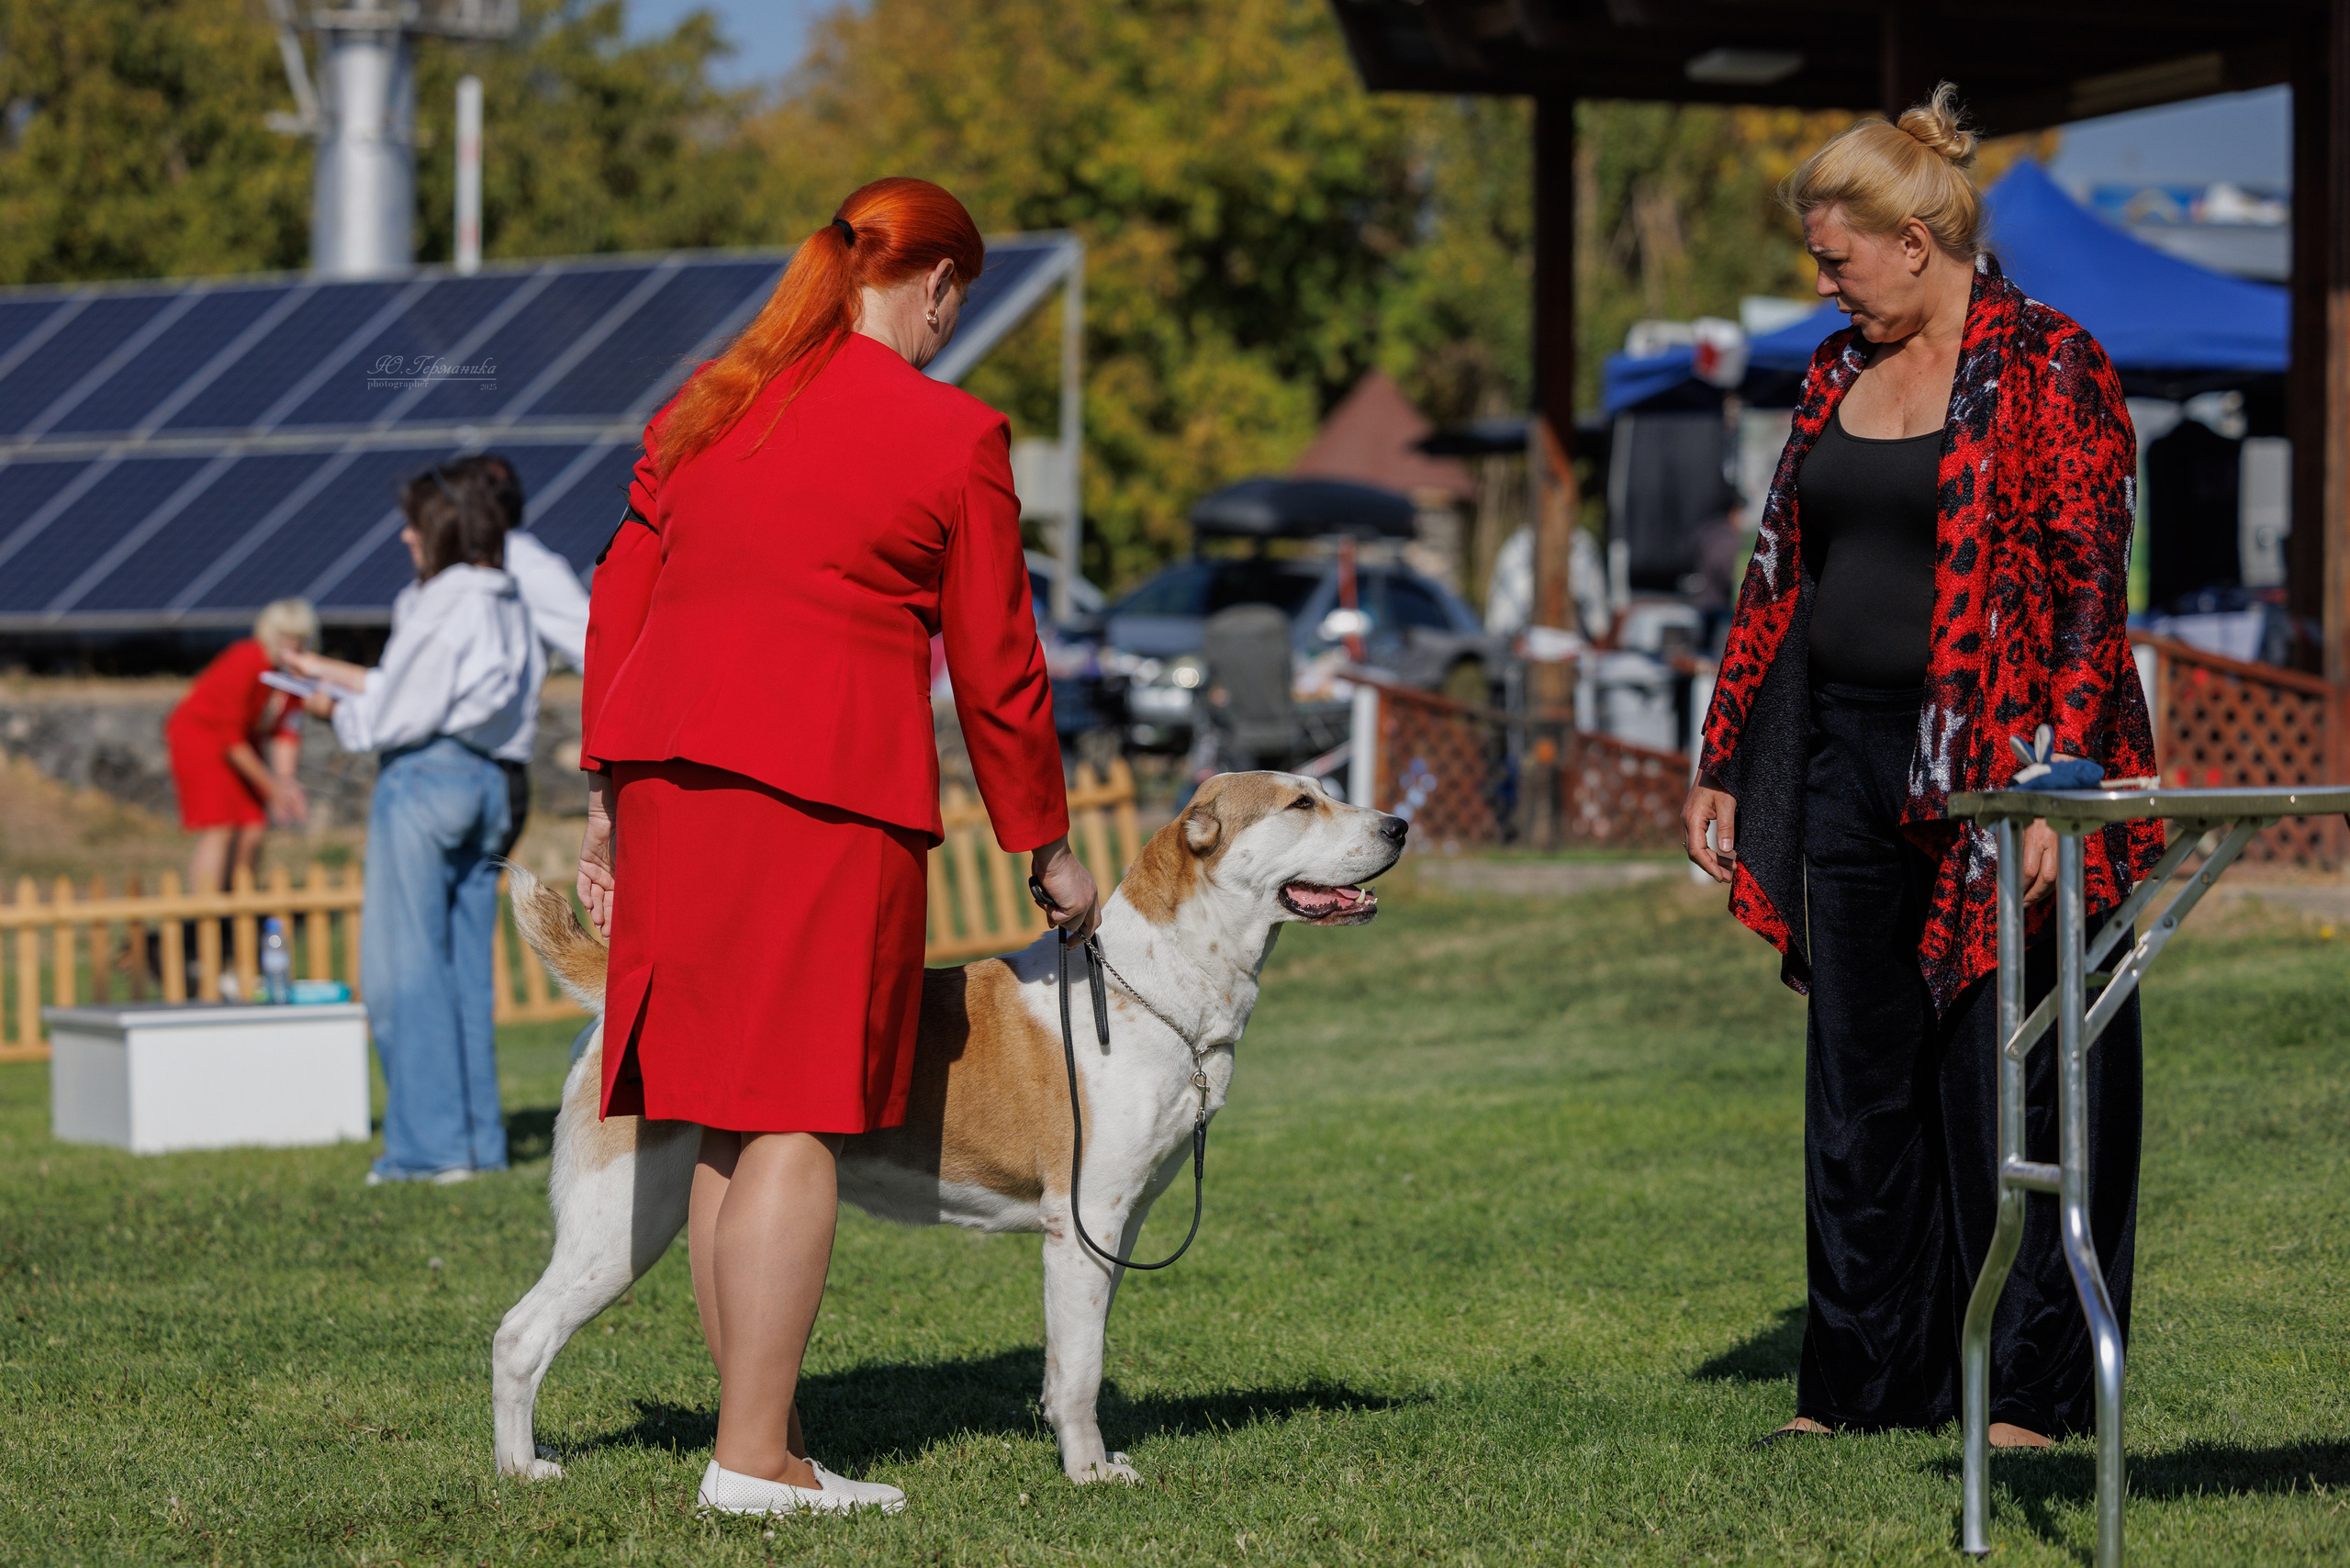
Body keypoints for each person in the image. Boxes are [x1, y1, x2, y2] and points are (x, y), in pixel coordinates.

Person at [577, 176, 1095, 1517]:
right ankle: (753, 1461)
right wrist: (1047, 844)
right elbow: (999, 667)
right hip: (827, 801)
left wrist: (600, 794)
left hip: (668, 789)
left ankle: (755, 1434)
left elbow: (621, 591)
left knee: (721, 1122)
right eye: (954, 304)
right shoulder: (954, 434)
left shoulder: (708, 399)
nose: (949, 327)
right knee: (800, 1116)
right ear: (930, 284)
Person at [1682, 85, 2160, 1448]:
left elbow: (2086, 594)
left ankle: (2031, 1393)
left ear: (1914, 237)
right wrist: (1728, 757)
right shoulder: (1834, 374)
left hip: (2009, 773)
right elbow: (1781, 572)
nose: (1824, 283)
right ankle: (1860, 1385)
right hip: (1844, 754)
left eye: (1837, 257)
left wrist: (2060, 788)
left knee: (2014, 1079)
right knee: (1860, 1083)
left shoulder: (2054, 364)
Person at [289, 467, 545, 1185]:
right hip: (489, 780)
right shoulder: (509, 598)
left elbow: (397, 714)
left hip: (425, 779)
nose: (405, 535)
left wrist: (332, 710)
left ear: (443, 530)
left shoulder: (438, 602)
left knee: (402, 971)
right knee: (464, 973)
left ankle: (429, 1152)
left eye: (415, 522)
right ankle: (475, 1143)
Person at [430, 453, 588, 856]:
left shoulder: (530, 568)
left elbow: (596, 648)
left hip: (490, 769)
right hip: (445, 767)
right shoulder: (456, 565)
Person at [164, 599, 317, 910]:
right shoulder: (246, 659)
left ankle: (238, 909)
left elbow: (288, 730)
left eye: (299, 638)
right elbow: (230, 738)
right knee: (220, 824)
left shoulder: (294, 677)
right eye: (285, 636)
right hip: (203, 740)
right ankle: (205, 914)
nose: (292, 644)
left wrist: (286, 782)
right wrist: (271, 787)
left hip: (243, 747)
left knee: (253, 825)